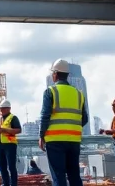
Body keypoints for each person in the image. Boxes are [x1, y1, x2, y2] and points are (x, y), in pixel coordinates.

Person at [38, 58, 86, 186]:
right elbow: (84, 118)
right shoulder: (79, 94)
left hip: (55, 141)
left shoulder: (51, 91)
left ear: (55, 74)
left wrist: (41, 135)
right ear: (67, 75)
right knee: (74, 176)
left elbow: (45, 116)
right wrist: (72, 128)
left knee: (59, 177)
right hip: (74, 141)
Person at [0, 99, 21, 186]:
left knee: (11, 166)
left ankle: (13, 184)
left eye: (3, 109)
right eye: (0, 109)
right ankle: (5, 183)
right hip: (1, 146)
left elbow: (18, 130)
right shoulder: (0, 119)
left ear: (8, 108)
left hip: (10, 145)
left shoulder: (13, 118)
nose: (1, 111)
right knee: (2, 166)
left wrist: (5, 130)